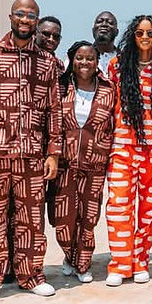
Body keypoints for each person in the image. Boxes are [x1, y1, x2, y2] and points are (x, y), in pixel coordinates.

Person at [0, 0, 61, 302]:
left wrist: (52, 152)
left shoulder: (46, 62)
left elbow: (53, 109)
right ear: (10, 16)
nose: (25, 19)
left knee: (32, 220)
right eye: (20, 14)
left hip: (33, 154)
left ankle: (31, 275)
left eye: (31, 15)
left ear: (37, 20)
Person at [104, 14, 152, 287]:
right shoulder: (117, 66)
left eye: (150, 33)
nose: (145, 38)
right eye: (139, 33)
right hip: (123, 147)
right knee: (119, 207)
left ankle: (140, 261)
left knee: (147, 210)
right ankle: (120, 265)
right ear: (131, 36)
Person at [53, 41, 116, 283]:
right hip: (65, 163)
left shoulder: (108, 89)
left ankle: (83, 263)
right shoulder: (61, 88)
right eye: (79, 58)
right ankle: (69, 255)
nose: (85, 63)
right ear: (72, 59)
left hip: (95, 163)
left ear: (96, 61)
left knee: (89, 217)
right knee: (64, 217)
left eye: (90, 58)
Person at [34, 15, 64, 226]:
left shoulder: (60, 67)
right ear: (35, 31)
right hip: (29, 145)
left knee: (51, 206)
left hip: (53, 147)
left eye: (56, 36)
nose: (51, 39)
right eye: (46, 34)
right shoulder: (23, 61)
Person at [92, 11, 119, 75]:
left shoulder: (124, 59)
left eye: (110, 22)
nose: (104, 24)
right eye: (99, 22)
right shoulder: (79, 58)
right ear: (93, 30)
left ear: (117, 32)